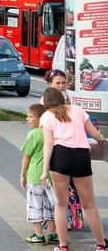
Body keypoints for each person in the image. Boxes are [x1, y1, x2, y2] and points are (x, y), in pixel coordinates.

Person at [40, 87, 107, 251]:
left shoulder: (47, 116)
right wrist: (101, 139)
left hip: (60, 157)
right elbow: (93, 133)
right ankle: (101, 245)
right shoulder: (77, 110)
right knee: (89, 204)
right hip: (81, 157)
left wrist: (44, 171)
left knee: (61, 204)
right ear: (62, 97)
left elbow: (48, 144)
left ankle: (63, 246)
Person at [20, 103, 59, 245]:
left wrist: (22, 175)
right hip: (48, 176)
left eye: (30, 117)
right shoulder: (51, 132)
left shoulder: (33, 134)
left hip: (35, 176)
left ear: (40, 118)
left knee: (34, 206)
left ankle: (39, 235)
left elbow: (26, 156)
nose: (27, 119)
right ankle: (53, 234)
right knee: (49, 205)